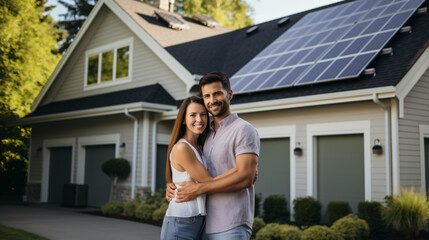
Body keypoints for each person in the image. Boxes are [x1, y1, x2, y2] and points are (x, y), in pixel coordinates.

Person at [166, 72, 260, 239]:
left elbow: (245, 177)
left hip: (231, 223)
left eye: (217, 93)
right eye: (206, 96)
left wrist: (198, 188)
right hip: (203, 224)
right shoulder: (205, 135)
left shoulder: (243, 130)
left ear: (229, 94)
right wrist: (175, 185)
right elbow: (193, 172)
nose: (212, 100)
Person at [161, 96, 238, 240]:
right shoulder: (182, 148)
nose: (199, 119)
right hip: (181, 222)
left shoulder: (200, 146)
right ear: (183, 120)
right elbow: (209, 182)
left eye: (203, 114)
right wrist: (239, 171)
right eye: (193, 115)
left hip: (199, 220)